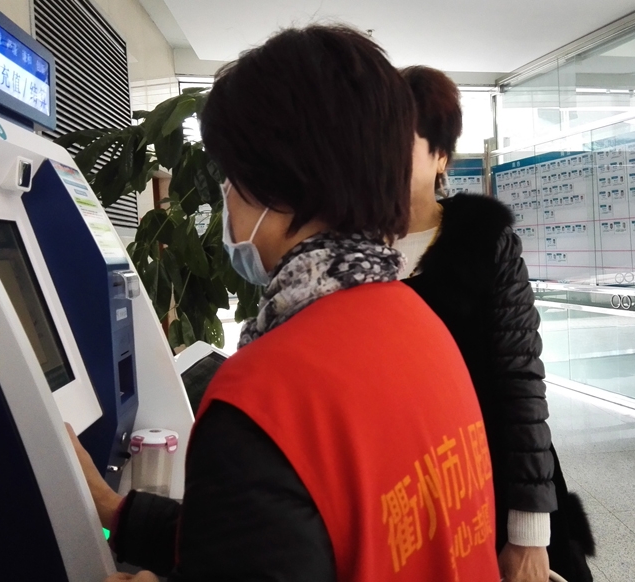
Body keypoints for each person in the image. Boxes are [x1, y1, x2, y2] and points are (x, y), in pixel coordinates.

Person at [68, 26, 501, 582]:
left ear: (275, 185)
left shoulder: (263, 396)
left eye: (230, 177)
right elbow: (294, 529)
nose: (225, 197)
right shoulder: (419, 322)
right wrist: (116, 512)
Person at [393, 65, 595, 582]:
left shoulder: (486, 242)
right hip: (401, 483)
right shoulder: (347, 256)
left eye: (400, 141)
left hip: (493, 470)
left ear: (441, 155)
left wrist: (528, 532)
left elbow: (520, 383)